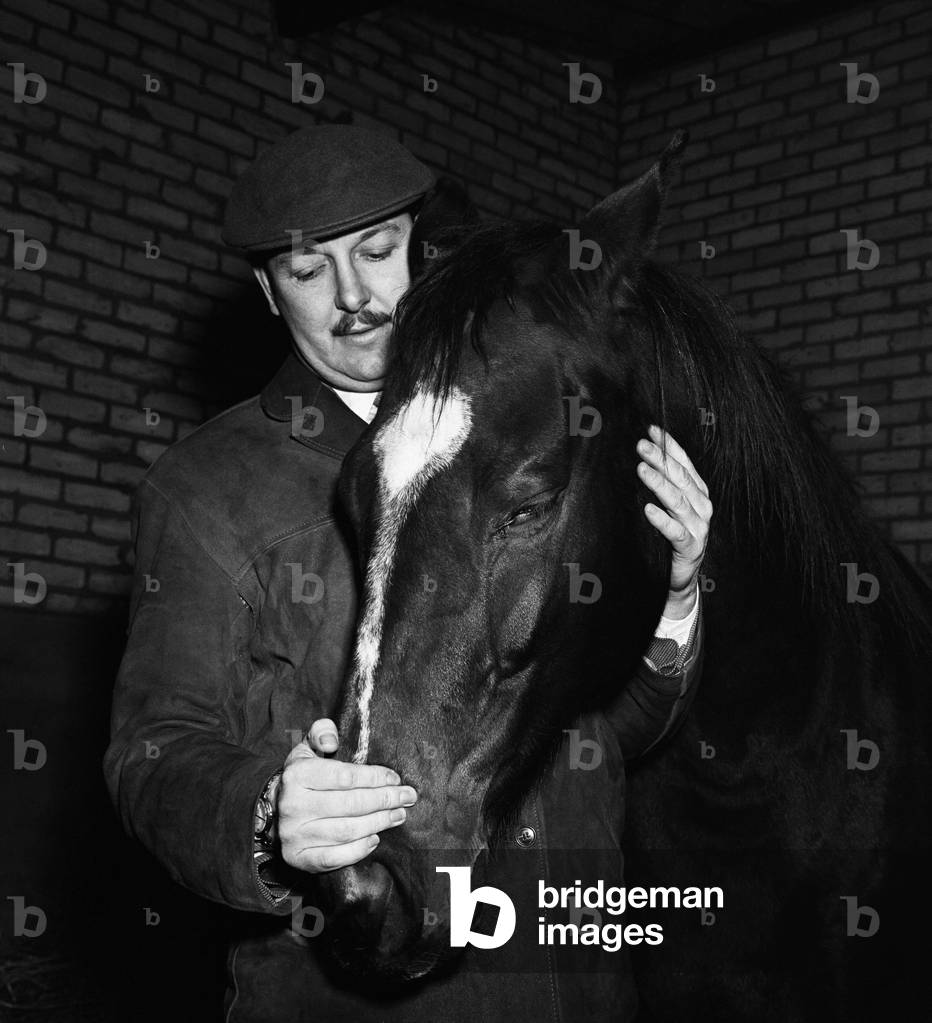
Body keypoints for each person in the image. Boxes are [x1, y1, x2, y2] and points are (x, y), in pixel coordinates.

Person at [104, 125, 712, 1021]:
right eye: (309, 272)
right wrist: (266, 816)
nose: (353, 296)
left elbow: (608, 732)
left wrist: (678, 593)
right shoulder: (204, 488)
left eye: (379, 251)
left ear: (424, 256)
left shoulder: (529, 427)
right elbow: (149, 755)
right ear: (269, 293)